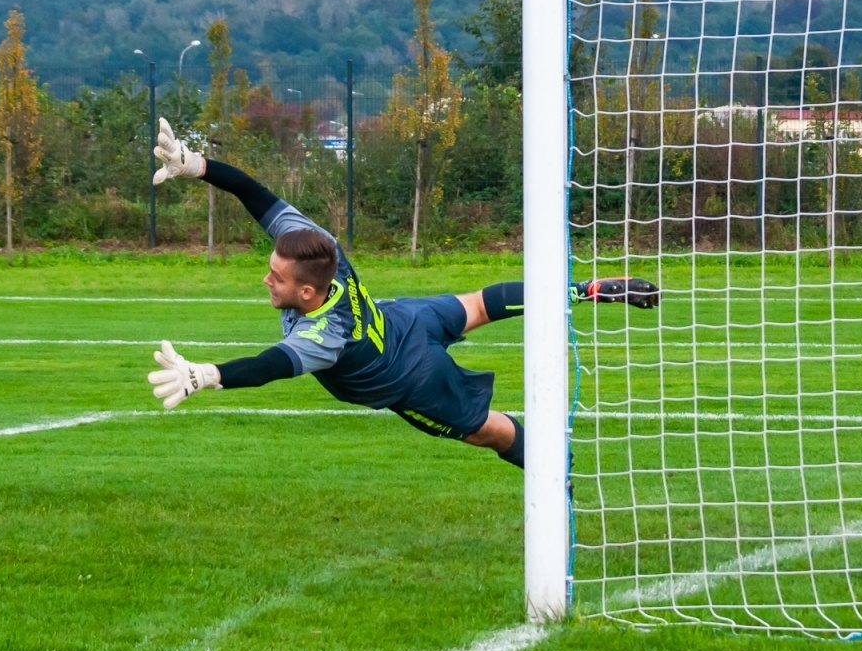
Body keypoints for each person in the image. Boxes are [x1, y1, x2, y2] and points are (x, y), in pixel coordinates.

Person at [144, 120, 657, 468]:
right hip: (404, 321)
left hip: (411, 378)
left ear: (307, 290)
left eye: (275, 277)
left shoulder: (324, 333)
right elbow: (255, 194)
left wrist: (206, 375)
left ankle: (555, 472)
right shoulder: (321, 247)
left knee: (487, 430)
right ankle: (587, 290)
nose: (266, 279)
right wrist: (196, 165)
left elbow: (268, 366)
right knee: (480, 304)